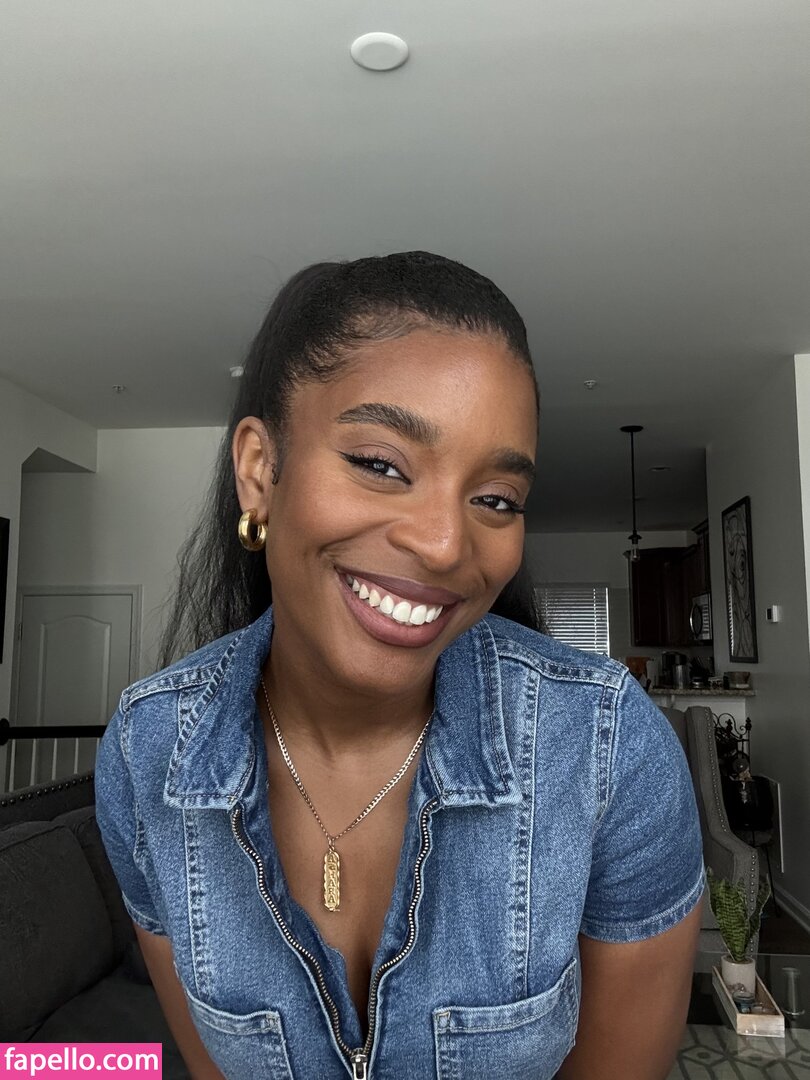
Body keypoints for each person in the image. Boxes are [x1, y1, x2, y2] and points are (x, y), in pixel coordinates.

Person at [94, 251, 705, 1080]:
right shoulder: (147, 752)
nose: (447, 544)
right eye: (381, 465)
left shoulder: (606, 750)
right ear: (260, 471)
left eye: (495, 499)